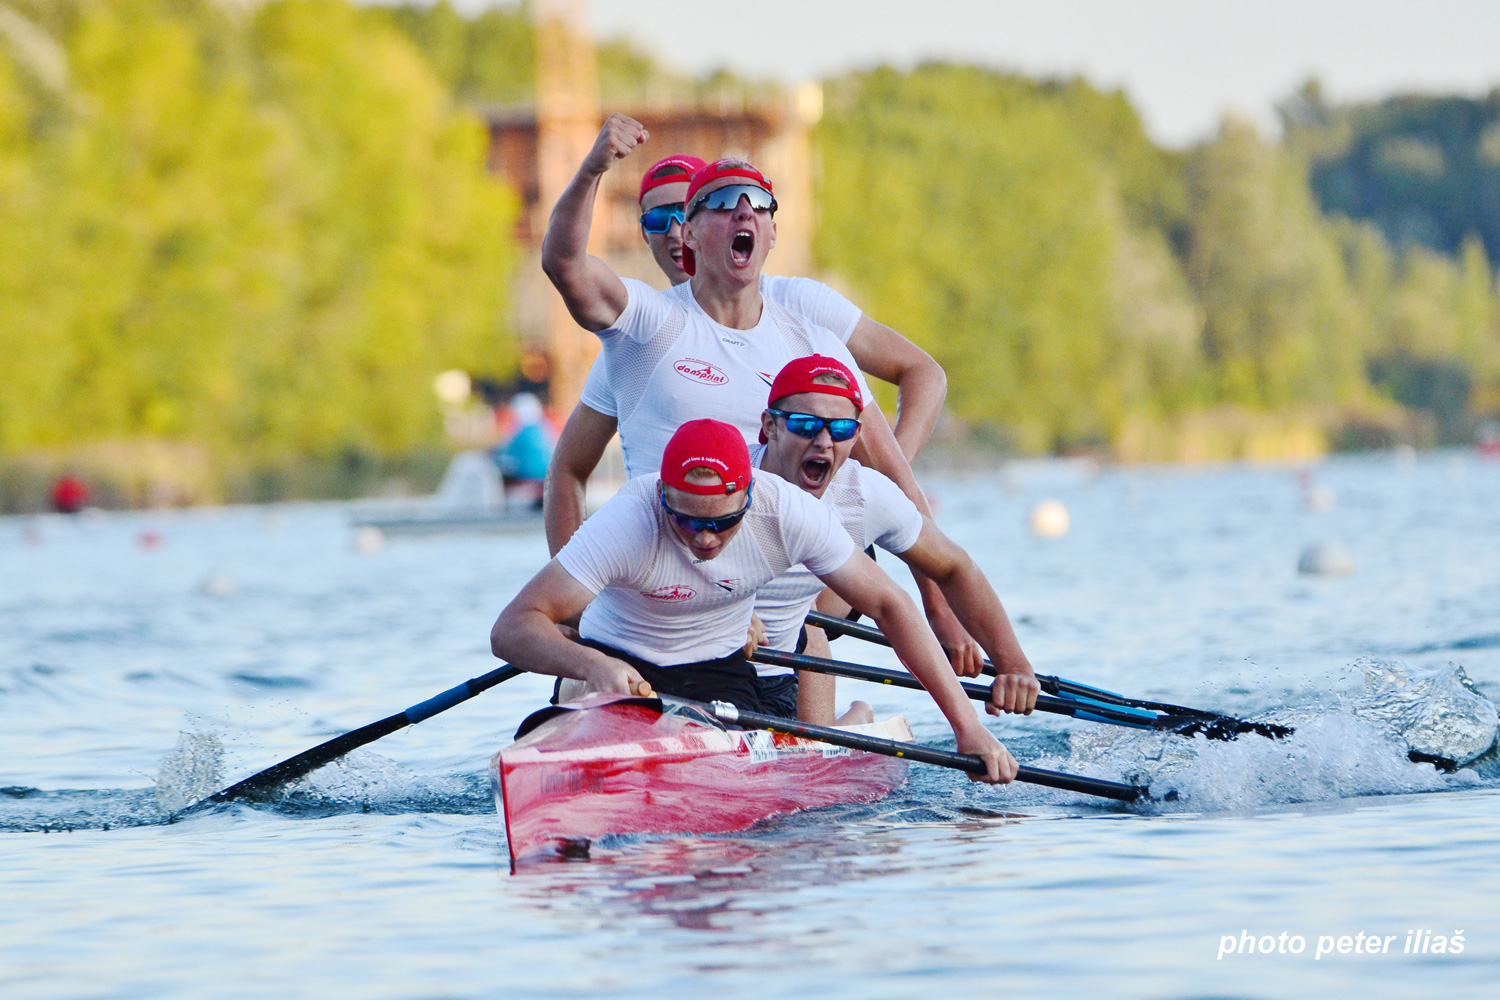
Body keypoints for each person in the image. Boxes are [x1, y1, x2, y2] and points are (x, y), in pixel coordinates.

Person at [540, 114, 988, 671]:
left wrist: (937, 609)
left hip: (781, 566)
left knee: (809, 595)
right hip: (664, 571)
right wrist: (571, 613)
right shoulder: (638, 329)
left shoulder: (808, 329)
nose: (676, 229)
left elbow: (897, 482)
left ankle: (820, 718)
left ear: (767, 233)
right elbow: (565, 268)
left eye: (738, 205)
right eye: (663, 217)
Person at [490, 419, 1018, 784]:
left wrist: (966, 728)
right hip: (614, 672)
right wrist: (592, 661)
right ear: (662, 496)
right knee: (562, 719)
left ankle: (852, 725)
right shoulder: (627, 521)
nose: (705, 539)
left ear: (749, 495)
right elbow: (512, 628)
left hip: (718, 679)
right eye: (688, 521)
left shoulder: (784, 511)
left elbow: (889, 605)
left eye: (722, 523)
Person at [750, 355, 1043, 724]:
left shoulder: (865, 494)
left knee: (811, 626)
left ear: (856, 434)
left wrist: (1012, 665)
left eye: (839, 429)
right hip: (700, 657)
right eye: (806, 424)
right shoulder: (727, 483)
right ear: (770, 426)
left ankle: (856, 720)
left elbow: (954, 567)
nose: (823, 441)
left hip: (776, 666)